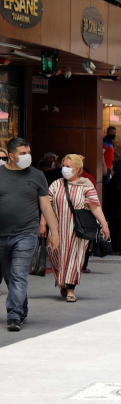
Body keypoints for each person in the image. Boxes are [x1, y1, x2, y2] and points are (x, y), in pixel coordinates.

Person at [0, 138, 61, 331]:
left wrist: (54, 232)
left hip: (26, 233)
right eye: (22, 153)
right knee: (10, 277)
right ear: (11, 156)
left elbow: (45, 205)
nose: (27, 156)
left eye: (28, 152)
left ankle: (14, 315)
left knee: (18, 275)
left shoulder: (37, 176)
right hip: (1, 234)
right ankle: (21, 308)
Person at [44, 155, 110, 303]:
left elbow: (95, 207)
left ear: (77, 169)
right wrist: (43, 224)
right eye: (64, 166)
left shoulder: (86, 185)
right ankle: (63, 282)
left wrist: (104, 224)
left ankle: (71, 289)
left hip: (77, 230)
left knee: (74, 259)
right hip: (57, 229)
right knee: (56, 257)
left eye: (68, 166)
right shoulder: (56, 184)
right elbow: (46, 206)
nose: (64, 169)